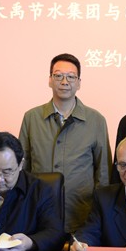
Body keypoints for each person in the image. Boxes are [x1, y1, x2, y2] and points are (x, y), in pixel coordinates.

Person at [19, 53, 112, 234]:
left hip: (82, 215)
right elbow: (22, 168)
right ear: (49, 80)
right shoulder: (31, 118)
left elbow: (103, 174)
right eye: (58, 76)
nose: (64, 82)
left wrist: (100, 215)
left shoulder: (96, 120)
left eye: (71, 77)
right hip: (39, 215)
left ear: (79, 83)